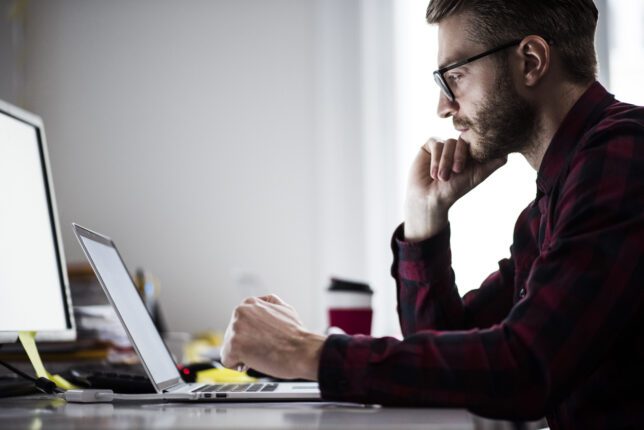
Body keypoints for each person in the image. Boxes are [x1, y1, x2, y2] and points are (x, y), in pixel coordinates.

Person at [221, 0, 644, 428]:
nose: (443, 108)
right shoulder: (553, 203)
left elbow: (524, 368)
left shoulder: (624, 155)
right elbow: (449, 354)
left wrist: (304, 351)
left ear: (531, 62)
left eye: (455, 76)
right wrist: (425, 221)